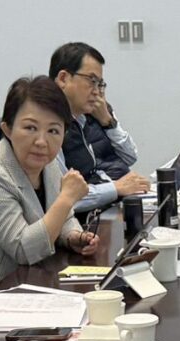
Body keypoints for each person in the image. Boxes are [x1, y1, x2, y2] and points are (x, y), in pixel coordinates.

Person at [0, 77, 102, 298]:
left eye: (53, 131)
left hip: (27, 286)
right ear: (7, 129)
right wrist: (67, 198)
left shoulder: (47, 165)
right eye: (30, 128)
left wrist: (73, 236)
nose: (41, 141)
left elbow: (62, 217)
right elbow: (24, 249)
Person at [51, 41, 150, 216]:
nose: (97, 92)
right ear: (63, 79)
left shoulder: (82, 118)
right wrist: (116, 188)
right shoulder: (49, 126)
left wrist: (107, 120)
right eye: (92, 81)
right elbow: (62, 198)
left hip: (103, 202)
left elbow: (130, 157)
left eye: (100, 84)